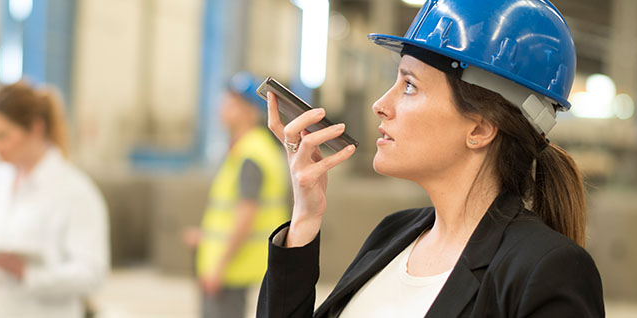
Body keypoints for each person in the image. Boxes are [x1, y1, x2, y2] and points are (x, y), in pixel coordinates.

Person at [256, 0, 604, 317]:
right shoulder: (394, 234)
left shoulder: (546, 270)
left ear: (480, 129)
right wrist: (304, 219)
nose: (380, 104)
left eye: (409, 86)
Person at [0, 80, 109, 318]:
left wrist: (27, 274)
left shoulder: (75, 192)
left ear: (36, 128)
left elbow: (92, 274)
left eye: (2, 135)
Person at [187, 73, 289, 318]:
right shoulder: (251, 149)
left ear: (251, 113)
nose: (222, 108)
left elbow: (247, 214)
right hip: (230, 262)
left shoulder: (251, 155)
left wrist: (219, 266)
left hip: (231, 266)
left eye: (232, 104)